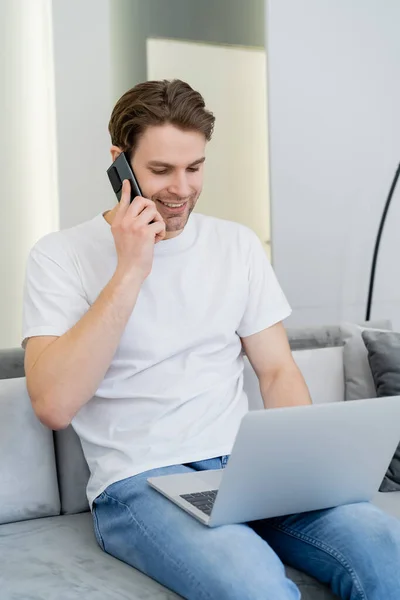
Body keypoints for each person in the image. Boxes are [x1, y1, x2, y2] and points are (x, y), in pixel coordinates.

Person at [22, 79, 400, 600]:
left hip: (246, 467)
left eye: (194, 168)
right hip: (140, 481)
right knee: (254, 584)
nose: (181, 189)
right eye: (160, 170)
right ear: (120, 162)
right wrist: (131, 269)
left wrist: (304, 469)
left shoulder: (236, 245)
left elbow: (276, 370)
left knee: (383, 545)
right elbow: (53, 403)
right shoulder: (59, 256)